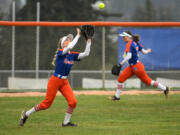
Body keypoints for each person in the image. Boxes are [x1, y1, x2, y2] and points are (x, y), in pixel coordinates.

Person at [20, 28, 92, 127]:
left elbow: (86, 54)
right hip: (55, 80)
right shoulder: (61, 53)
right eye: (67, 40)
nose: (69, 41)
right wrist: (78, 35)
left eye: (69, 40)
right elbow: (70, 47)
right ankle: (26, 114)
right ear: (63, 44)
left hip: (64, 81)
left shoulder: (72, 55)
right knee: (46, 104)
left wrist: (88, 41)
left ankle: (66, 122)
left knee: (73, 102)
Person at [111, 31, 169, 100]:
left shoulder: (129, 44)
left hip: (137, 67)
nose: (123, 38)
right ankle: (117, 97)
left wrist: (121, 64)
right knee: (121, 79)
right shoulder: (135, 43)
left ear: (128, 37)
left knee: (148, 82)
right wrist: (148, 51)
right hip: (132, 67)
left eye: (124, 36)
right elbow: (144, 52)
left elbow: (129, 55)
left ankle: (165, 88)